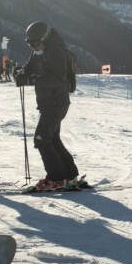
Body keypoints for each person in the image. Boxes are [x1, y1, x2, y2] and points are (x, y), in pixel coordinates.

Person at [15, 21, 80, 191]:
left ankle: (56, 178)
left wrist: (32, 79)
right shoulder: (40, 50)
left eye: (35, 43)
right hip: (48, 102)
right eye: (29, 44)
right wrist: (22, 73)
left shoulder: (56, 52)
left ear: (45, 38)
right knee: (52, 138)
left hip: (56, 102)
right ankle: (69, 174)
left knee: (41, 139)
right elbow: (31, 66)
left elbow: (58, 78)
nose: (33, 47)